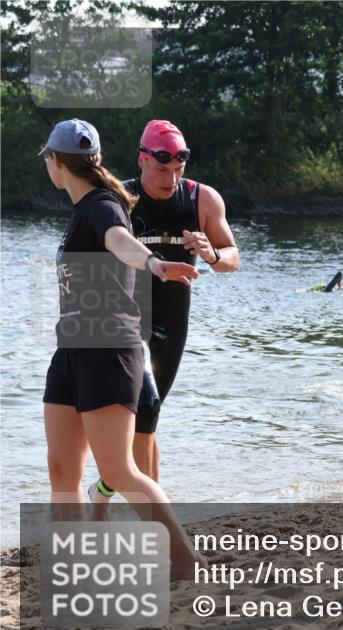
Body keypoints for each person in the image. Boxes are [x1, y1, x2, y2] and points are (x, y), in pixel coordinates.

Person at [40, 118, 202, 577]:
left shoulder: (102, 205)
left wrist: (152, 262)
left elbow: (120, 241)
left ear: (55, 163)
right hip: (72, 350)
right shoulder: (82, 209)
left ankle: (185, 562)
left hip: (109, 349)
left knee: (122, 471)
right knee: (62, 471)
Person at [89, 120, 240, 504]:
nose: (171, 179)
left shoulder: (202, 199)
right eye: (161, 169)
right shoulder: (118, 198)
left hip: (173, 320)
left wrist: (211, 254)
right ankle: (156, 526)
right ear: (142, 159)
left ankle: (106, 487)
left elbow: (232, 258)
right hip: (123, 317)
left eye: (178, 170)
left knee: (147, 420)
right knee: (147, 408)